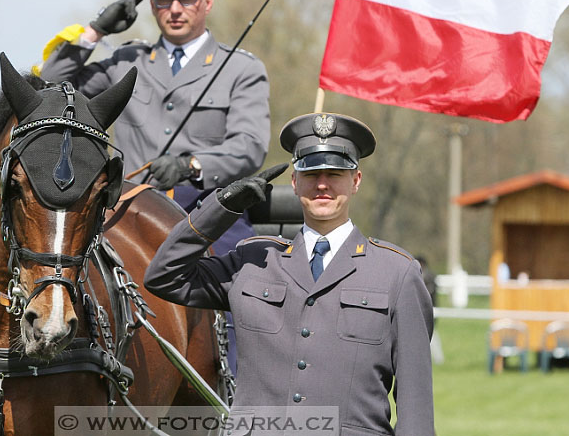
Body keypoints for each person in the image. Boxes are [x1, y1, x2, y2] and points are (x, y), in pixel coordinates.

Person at [36, 0, 271, 374]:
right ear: (152, 3)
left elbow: (250, 144)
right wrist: (94, 32)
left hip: (207, 211)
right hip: (125, 208)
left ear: (207, 1)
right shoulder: (126, 60)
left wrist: (192, 165)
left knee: (248, 288)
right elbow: (48, 88)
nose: (175, 9)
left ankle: (241, 394)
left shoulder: (240, 69)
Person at [145, 113, 435, 435]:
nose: (322, 184)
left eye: (335, 173)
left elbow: (416, 405)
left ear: (356, 181)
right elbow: (163, 276)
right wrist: (221, 206)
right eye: (311, 173)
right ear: (295, 182)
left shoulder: (396, 273)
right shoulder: (253, 260)